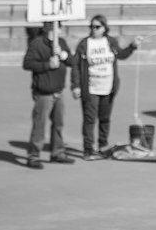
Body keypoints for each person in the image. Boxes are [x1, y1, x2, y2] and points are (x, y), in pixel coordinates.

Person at [70, 14, 139, 159]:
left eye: (97, 27)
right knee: (90, 119)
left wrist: (132, 46)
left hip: (108, 87)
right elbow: (75, 65)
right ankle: (88, 149)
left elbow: (121, 55)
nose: (94, 29)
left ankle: (102, 145)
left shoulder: (110, 42)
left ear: (104, 28)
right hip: (90, 88)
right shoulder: (85, 44)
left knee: (105, 118)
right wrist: (75, 86)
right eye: (92, 27)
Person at [22, 22, 75, 168]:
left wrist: (64, 55)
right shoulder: (37, 44)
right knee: (40, 124)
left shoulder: (62, 43)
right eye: (58, 27)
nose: (60, 30)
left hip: (59, 90)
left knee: (58, 124)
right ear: (50, 28)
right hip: (43, 92)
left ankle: (57, 152)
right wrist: (47, 65)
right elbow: (27, 63)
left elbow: (72, 61)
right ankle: (33, 156)